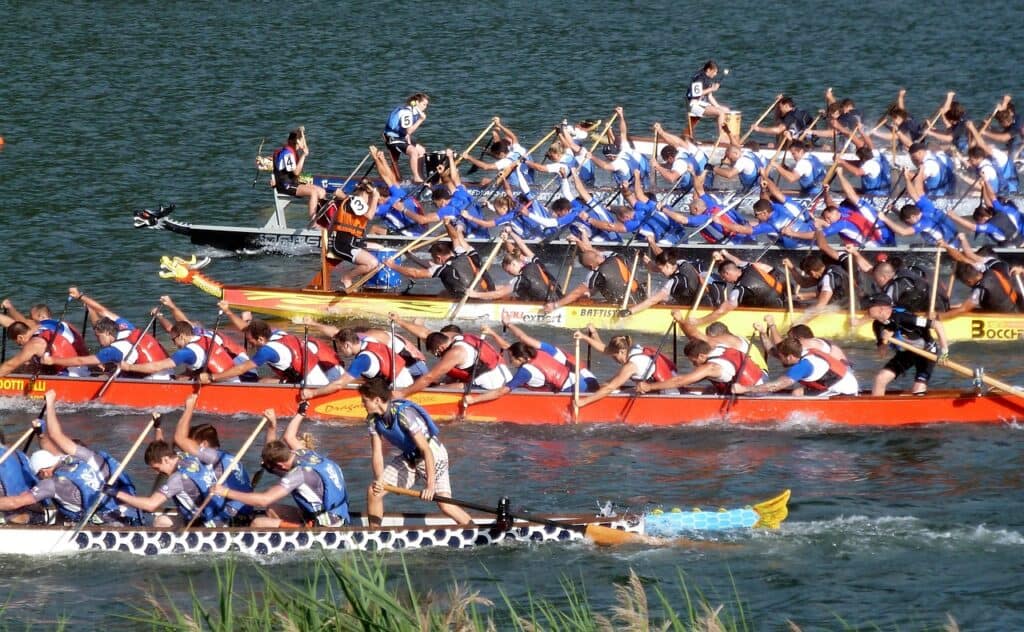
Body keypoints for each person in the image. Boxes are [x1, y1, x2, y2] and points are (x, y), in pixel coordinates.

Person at [0, 391, 144, 525]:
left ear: (43, 472)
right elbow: (56, 437)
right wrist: (46, 419)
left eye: (39, 476)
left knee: (60, 509)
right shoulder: (86, 458)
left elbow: (15, 503)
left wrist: (49, 407)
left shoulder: (50, 485)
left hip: (104, 524)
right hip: (131, 514)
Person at [358, 377, 473, 526]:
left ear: (377, 400)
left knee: (445, 504)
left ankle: (473, 529)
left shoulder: (404, 414)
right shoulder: (373, 420)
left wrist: (430, 486)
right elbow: (377, 453)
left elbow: (426, 450)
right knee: (374, 491)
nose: (362, 404)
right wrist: (379, 480)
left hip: (433, 454)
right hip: (410, 456)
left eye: (365, 400)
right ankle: (374, 537)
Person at [213, 407, 350, 528]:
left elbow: (263, 500)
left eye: (271, 468)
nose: (271, 470)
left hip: (328, 525)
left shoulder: (297, 474)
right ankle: (300, 526)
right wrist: (275, 424)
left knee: (258, 523)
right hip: (339, 514)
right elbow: (288, 436)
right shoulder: (306, 454)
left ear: (280, 465)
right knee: (272, 510)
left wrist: (225, 492)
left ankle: (301, 529)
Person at [173, 394, 255, 525]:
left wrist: (189, 408)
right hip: (246, 512)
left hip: (229, 518)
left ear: (204, 445)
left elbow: (179, 439)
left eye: (193, 445)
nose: (189, 451)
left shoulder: (211, 457)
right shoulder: (232, 458)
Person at [198, 319, 331, 386]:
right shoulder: (278, 333)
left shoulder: (267, 351)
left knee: (256, 382)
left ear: (261, 338)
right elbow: (248, 329)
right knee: (261, 381)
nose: (250, 345)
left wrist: (212, 378)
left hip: (310, 385)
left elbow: (241, 369)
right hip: (306, 376)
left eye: (251, 341)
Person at [384, 219, 495, 298]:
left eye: (433, 259)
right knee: (443, 293)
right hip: (483, 293)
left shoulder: (442, 269)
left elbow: (414, 273)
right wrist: (447, 224)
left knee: (443, 294)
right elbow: (455, 237)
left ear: (439, 257)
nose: (432, 262)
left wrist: (392, 266)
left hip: (467, 299)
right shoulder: (462, 254)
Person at [865, 293, 949, 396]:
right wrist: (884, 341)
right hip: (907, 353)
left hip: (926, 351)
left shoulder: (903, 317)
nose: (866, 309)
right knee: (880, 379)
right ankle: (876, 409)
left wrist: (944, 353)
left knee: (918, 389)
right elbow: (882, 353)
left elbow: (937, 325)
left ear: (881, 309)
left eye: (869, 307)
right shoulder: (877, 325)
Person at [299, 327, 415, 400]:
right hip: (402, 377)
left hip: (399, 388)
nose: (340, 352)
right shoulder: (368, 340)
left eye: (340, 348)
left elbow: (340, 384)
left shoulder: (363, 359)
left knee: (340, 381)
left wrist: (313, 393)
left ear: (347, 345)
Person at [41, 316, 172, 380]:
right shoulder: (126, 333)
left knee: (101, 376)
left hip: (151, 381)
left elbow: (80, 361)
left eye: (99, 336)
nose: (98, 340)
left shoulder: (112, 351)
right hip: (163, 375)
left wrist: (53, 361)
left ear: (108, 333)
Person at [572, 330, 677, 408]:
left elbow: (610, 388)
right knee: (613, 389)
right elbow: (604, 349)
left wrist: (583, 402)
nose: (613, 359)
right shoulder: (632, 348)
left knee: (611, 390)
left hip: (667, 393)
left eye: (614, 356)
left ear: (622, 352)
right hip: (660, 386)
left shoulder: (631, 365)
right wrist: (584, 337)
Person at [393, 330, 512, 399]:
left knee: (439, 388)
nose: (439, 357)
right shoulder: (459, 337)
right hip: (504, 376)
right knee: (447, 383)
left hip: (491, 386)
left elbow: (429, 377)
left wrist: (403, 393)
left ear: (440, 348)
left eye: (437, 354)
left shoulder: (455, 353)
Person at [543, 232, 645, 311]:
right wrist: (579, 240)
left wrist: (555, 305)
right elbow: (590, 251)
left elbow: (578, 292)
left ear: (591, 266)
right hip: (642, 298)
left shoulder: (597, 274)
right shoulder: (616, 256)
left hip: (627, 306)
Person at [732, 336, 859, 397]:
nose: (778, 359)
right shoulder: (801, 352)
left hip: (843, 392)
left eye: (780, 357)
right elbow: (773, 351)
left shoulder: (803, 366)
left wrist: (744, 389)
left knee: (794, 394)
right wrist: (762, 333)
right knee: (796, 392)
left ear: (789, 357)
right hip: (841, 382)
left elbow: (775, 386)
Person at [636, 337, 765, 395]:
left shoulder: (710, 367)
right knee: (709, 388)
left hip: (753, 395)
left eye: (694, 361)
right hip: (760, 381)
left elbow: (679, 381)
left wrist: (649, 387)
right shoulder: (718, 348)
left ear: (702, 356)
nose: (693, 365)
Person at [119, 320, 239, 382]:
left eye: (173, 339)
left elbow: (156, 367)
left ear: (182, 336)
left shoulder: (187, 352)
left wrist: (129, 367)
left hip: (223, 385)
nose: (173, 343)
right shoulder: (205, 339)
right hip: (233, 380)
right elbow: (197, 370)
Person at [321, 171, 383, 289]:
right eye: (369, 198)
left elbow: (332, 222)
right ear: (365, 193)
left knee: (380, 249)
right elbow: (370, 215)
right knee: (372, 263)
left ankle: (366, 284)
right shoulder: (355, 201)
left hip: (351, 242)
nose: (370, 201)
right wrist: (375, 198)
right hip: (342, 245)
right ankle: (347, 278)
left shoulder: (351, 201)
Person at [464, 228, 561, 302]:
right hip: (558, 297)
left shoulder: (520, 279)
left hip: (547, 304)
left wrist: (475, 294)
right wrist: (509, 234)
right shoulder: (534, 262)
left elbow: (499, 294)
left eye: (509, 271)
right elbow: (521, 245)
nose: (510, 274)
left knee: (505, 292)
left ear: (514, 264)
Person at [692, 250, 786, 325]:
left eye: (724, 277)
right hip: (782, 298)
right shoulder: (749, 266)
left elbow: (721, 311)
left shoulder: (739, 290)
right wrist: (724, 253)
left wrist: (698, 321)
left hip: (771, 312)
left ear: (727, 273)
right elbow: (737, 261)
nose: (725, 280)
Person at [271, 127, 327, 220]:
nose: (301, 144)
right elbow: (296, 172)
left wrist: (301, 133)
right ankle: (314, 222)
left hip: (293, 183)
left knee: (321, 191)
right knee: (313, 193)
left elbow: (304, 146)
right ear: (293, 142)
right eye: (299, 142)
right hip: (285, 185)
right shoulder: (287, 154)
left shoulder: (292, 150)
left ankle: (323, 218)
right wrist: (304, 155)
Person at [0, 427, 45, 524]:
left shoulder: (5, 459)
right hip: (37, 510)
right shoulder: (16, 452)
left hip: (22, 516)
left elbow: (14, 502)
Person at [383, 92, 429, 183]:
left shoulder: (414, 112)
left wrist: (408, 136)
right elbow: (408, 130)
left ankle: (420, 176)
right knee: (413, 151)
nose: (425, 107)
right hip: (392, 138)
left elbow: (407, 132)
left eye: (427, 105)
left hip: (401, 138)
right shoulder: (406, 112)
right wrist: (421, 120)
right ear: (416, 102)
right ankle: (416, 178)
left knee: (422, 150)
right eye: (424, 104)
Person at [685, 60, 730, 139]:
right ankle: (722, 139)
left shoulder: (708, 79)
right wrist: (712, 88)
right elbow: (697, 94)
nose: (716, 74)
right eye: (715, 72)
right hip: (693, 104)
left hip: (701, 104)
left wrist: (718, 106)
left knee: (726, 110)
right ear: (708, 70)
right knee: (720, 113)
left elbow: (710, 96)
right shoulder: (699, 78)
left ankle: (728, 136)